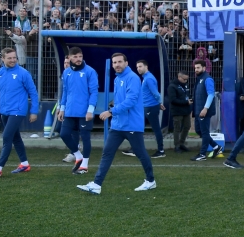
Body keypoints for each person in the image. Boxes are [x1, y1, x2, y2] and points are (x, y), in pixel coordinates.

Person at [77, 53, 156, 195]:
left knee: (141, 153)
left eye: (120, 62)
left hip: (131, 124)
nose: (117, 65)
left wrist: (111, 111)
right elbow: (122, 99)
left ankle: (150, 181)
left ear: (126, 63)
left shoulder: (132, 78)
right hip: (118, 125)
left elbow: (131, 100)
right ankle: (96, 184)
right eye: (114, 62)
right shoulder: (118, 78)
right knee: (107, 153)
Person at [0, 48, 39, 177]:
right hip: (4, 111)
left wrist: (34, 111)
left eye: (15, 57)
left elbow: (33, 93)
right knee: (15, 138)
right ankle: (24, 164)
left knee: (6, 137)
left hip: (18, 111)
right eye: (10, 58)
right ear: (3, 58)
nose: (13, 60)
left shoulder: (23, 73)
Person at [58, 47, 98, 174]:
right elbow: (65, 92)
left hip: (84, 111)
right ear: (69, 58)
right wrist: (62, 109)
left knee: (85, 137)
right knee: (63, 134)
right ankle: (78, 156)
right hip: (69, 111)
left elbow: (94, 92)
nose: (78, 59)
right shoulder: (66, 72)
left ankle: (84, 165)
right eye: (75, 57)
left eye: (80, 56)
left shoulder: (90, 71)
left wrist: (90, 110)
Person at [124, 60, 166, 158]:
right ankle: (135, 149)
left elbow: (155, 93)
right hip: (147, 107)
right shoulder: (146, 78)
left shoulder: (148, 79)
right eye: (137, 67)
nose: (138, 69)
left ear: (146, 67)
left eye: (140, 66)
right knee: (137, 126)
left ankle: (161, 150)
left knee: (155, 129)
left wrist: (159, 102)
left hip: (150, 107)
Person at [190, 59, 222, 161]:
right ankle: (216, 147)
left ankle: (202, 154)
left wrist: (205, 108)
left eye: (198, 68)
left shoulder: (207, 79)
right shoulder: (199, 79)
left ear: (204, 68)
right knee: (199, 131)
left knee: (204, 132)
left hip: (204, 111)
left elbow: (211, 94)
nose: (196, 70)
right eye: (195, 68)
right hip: (198, 110)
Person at [168, 71, 191, 153]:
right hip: (177, 111)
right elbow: (173, 100)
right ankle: (177, 145)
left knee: (187, 126)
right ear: (179, 77)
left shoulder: (185, 85)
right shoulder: (172, 86)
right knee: (177, 128)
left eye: (187, 79)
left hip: (186, 110)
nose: (186, 81)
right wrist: (186, 102)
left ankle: (181, 143)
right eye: (184, 79)